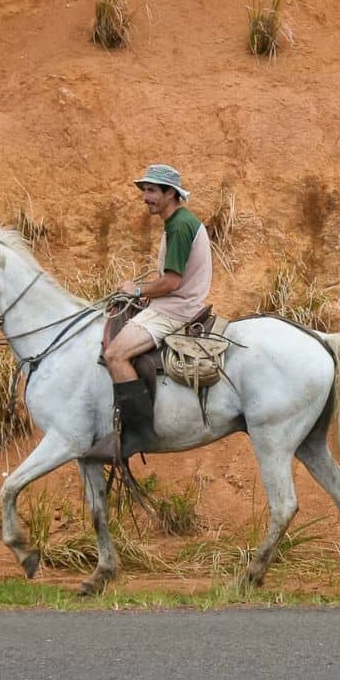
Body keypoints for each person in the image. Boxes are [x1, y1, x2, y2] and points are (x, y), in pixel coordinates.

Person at [103, 164, 212, 459]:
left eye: (151, 191)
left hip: (175, 310)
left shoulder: (179, 225)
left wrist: (136, 291)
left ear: (171, 193)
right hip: (178, 304)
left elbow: (172, 282)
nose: (145, 197)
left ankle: (139, 434)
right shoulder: (180, 222)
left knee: (114, 354)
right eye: (144, 191)